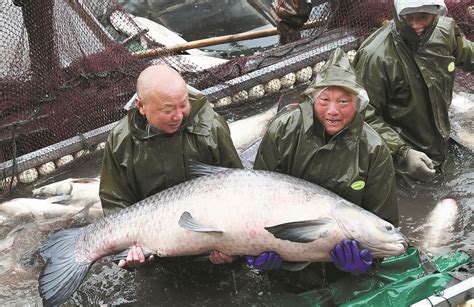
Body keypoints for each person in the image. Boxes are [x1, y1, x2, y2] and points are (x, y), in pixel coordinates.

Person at [100, 64, 270, 268]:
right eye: (168, 109)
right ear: (141, 106)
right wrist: (126, 255)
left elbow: (238, 186)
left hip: (211, 246)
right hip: (156, 250)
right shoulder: (121, 140)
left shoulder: (211, 127)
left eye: (183, 104)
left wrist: (235, 250)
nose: (178, 116)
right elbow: (115, 201)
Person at [253, 48, 399, 276]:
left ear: (359, 104)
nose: (333, 111)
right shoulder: (283, 130)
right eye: (324, 100)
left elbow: (384, 222)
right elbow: (257, 195)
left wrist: (366, 264)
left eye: (343, 101)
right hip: (285, 249)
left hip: (341, 263)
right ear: (312, 99)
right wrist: (260, 250)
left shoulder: (375, 150)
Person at [353, 0, 473, 183]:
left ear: (435, 14)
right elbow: (362, 115)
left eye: (423, 17)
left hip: (440, 142)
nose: (416, 25)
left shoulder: (445, 31)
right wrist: (403, 153)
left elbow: (468, 54)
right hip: (400, 160)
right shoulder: (376, 57)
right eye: (408, 17)